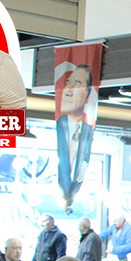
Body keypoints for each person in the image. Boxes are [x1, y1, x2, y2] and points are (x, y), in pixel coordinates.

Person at [55, 64, 95, 211]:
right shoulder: (60, 126)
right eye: (67, 85)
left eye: (76, 86)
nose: (68, 91)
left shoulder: (88, 131)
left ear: (87, 93)